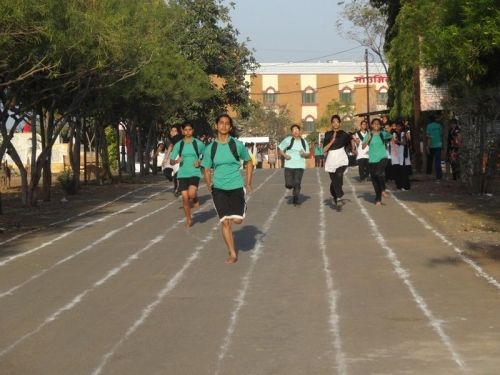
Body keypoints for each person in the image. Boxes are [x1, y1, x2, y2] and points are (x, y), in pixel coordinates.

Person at [201, 114, 253, 264]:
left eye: (226, 124)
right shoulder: (211, 148)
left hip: (236, 186)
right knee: (225, 222)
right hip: (219, 188)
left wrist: (248, 182)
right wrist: (209, 183)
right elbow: (206, 168)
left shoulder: (236, 145)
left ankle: (241, 209)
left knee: (237, 221)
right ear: (216, 126)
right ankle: (232, 253)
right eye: (221, 123)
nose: (223, 126)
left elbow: (249, 162)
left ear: (230, 127)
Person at [170, 122, 206, 227]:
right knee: (185, 198)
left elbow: (207, 155)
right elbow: (171, 160)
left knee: (191, 194)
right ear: (182, 131)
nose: (187, 132)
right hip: (182, 174)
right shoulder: (179, 145)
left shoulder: (198, 143)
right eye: (185, 130)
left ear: (193, 130)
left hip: (195, 172)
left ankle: (194, 197)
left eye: (190, 129)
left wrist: (200, 162)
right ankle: (189, 219)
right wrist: (176, 161)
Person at [323, 115, 356, 206]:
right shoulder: (328, 134)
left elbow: (352, 139)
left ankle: (339, 196)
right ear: (331, 124)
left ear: (340, 123)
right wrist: (332, 140)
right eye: (333, 122)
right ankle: (336, 195)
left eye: (337, 121)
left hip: (342, 158)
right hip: (331, 158)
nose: (335, 123)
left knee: (339, 174)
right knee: (335, 180)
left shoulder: (344, 134)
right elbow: (324, 150)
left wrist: (353, 148)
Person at [362, 118, 393, 206]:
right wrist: (369, 138)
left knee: (379, 173)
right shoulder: (369, 134)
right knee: (375, 180)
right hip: (372, 160)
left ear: (380, 125)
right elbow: (363, 146)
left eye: (378, 124)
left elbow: (390, 137)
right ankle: (378, 199)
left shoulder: (383, 133)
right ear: (371, 125)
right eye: (374, 124)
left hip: (382, 157)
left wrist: (389, 130)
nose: (376, 125)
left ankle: (383, 189)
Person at [278, 124, 311, 206]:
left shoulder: (304, 142)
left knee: (297, 182)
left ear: (300, 131)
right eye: (294, 130)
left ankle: (296, 196)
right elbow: (280, 149)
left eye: (297, 130)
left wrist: (303, 154)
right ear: (291, 132)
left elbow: (308, 154)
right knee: (289, 184)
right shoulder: (288, 140)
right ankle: (295, 188)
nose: (296, 131)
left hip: (300, 166)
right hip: (289, 165)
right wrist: (285, 155)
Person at [392, 120, 411, 190]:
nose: (397, 127)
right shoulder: (395, 133)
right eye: (397, 126)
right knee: (399, 171)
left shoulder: (403, 133)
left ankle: (405, 185)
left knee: (403, 171)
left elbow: (404, 143)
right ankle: (400, 185)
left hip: (403, 153)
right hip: (398, 154)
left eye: (399, 126)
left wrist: (398, 141)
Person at [426, 114, 444, 180]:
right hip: (438, 145)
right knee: (437, 161)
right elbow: (441, 135)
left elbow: (429, 137)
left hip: (431, 145)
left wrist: (428, 146)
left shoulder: (428, 126)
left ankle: (429, 173)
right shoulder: (439, 126)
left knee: (430, 160)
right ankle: (439, 176)